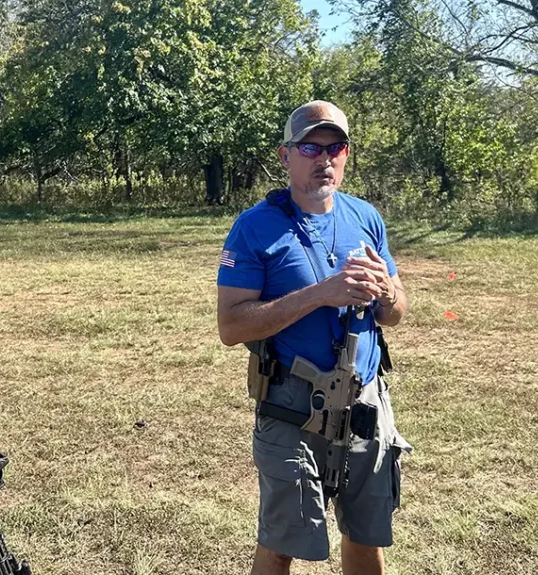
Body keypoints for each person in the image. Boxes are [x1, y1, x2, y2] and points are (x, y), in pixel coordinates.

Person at [216, 100, 412, 575]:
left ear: (346, 155)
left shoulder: (365, 217)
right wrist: (321, 294)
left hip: (365, 402)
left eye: (335, 147)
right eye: (310, 147)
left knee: (366, 536)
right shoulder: (254, 228)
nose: (324, 158)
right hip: (291, 407)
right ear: (286, 156)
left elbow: (396, 313)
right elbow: (231, 326)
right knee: (281, 544)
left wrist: (387, 292)